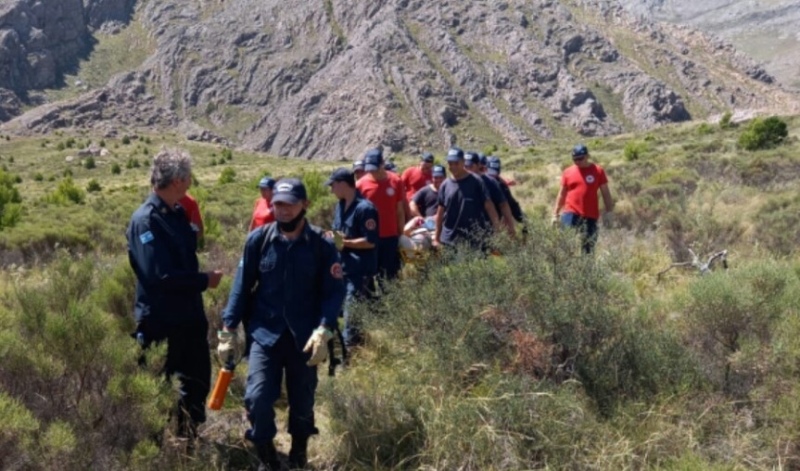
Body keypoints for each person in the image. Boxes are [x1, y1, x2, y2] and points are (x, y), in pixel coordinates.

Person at [218, 178, 346, 471]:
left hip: (307, 336)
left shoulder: (321, 245)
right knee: (258, 398)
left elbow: (334, 291)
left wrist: (324, 328)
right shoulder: (258, 240)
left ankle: (299, 452)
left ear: (305, 205)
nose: (283, 210)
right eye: (278, 204)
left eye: (289, 204)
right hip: (265, 334)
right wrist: (227, 329)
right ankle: (267, 457)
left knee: (302, 401)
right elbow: (241, 286)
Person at [127, 149, 224, 442]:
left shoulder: (178, 213)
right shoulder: (146, 220)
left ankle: (188, 442)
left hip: (188, 318)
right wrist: (203, 280)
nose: (191, 180)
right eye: (189, 175)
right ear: (179, 180)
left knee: (195, 382)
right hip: (160, 321)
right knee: (158, 387)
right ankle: (154, 451)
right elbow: (159, 276)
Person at [327, 168, 379, 347]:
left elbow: (370, 242)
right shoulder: (340, 206)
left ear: (342, 184)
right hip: (342, 269)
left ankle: (349, 355)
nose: (331, 190)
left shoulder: (365, 208)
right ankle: (350, 345)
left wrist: (344, 242)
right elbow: (338, 233)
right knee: (338, 311)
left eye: (333, 185)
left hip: (359, 269)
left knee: (351, 314)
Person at [552, 144, 614, 254]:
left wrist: (609, 212)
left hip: (590, 215)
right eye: (575, 159)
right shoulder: (568, 172)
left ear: (587, 156)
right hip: (570, 214)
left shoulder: (598, 171)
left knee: (588, 249)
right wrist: (555, 214)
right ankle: (567, 270)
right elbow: (561, 194)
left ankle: (586, 270)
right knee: (565, 246)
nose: (578, 161)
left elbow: (606, 193)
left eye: (580, 158)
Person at [434, 147, 500, 250]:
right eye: (450, 163)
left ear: (463, 162)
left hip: (474, 241)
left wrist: (498, 234)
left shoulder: (477, 181)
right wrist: (436, 238)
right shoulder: (445, 185)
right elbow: (440, 213)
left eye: (456, 163)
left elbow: (490, 208)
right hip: (449, 241)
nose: (453, 166)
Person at [356, 148, 406, 280]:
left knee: (390, 275)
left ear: (382, 163)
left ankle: (392, 300)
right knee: (370, 277)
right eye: (369, 169)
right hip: (370, 238)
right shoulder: (360, 185)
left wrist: (401, 234)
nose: (372, 172)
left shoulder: (396, 181)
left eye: (375, 168)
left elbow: (399, 210)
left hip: (390, 236)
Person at [465, 152, 515, 238]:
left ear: (478, 165)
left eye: (470, 166)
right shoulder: (459, 183)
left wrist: (510, 228)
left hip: (490, 232)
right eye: (465, 167)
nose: (467, 170)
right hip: (466, 232)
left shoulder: (490, 182)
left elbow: (503, 205)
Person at [486, 157, 524, 226]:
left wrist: (523, 220)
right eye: (490, 172)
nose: (492, 176)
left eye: (494, 173)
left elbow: (512, 204)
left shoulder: (501, 186)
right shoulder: (477, 184)